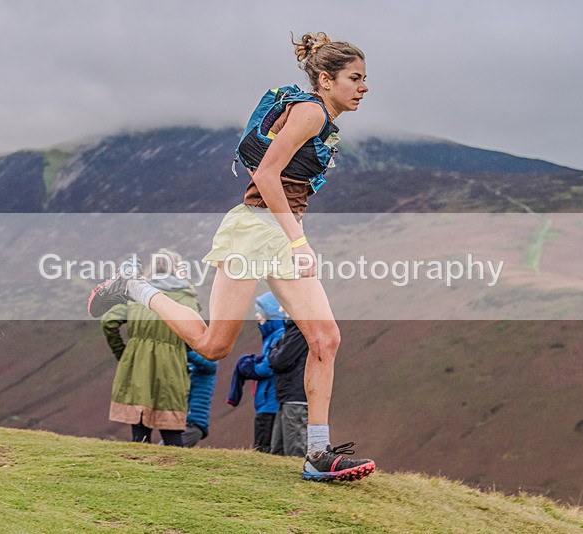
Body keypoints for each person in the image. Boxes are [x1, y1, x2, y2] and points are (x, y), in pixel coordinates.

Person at [90, 32, 375, 481]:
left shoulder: (321, 117)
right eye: (354, 78)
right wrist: (298, 242)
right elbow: (265, 174)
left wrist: (294, 236)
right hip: (253, 231)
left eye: (365, 79)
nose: (363, 87)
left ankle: (317, 456)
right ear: (325, 79)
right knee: (213, 346)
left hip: (281, 232)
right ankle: (133, 287)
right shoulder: (310, 111)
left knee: (326, 339)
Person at [101, 249, 200, 447]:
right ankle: (177, 474)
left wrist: (124, 354)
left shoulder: (137, 293)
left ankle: (139, 472)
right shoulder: (188, 298)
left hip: (138, 363)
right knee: (172, 432)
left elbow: (108, 321)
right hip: (171, 365)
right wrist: (181, 351)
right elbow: (194, 334)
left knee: (140, 433)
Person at [226, 292, 286, 452]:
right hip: (266, 402)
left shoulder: (279, 334)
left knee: (264, 448)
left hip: (270, 403)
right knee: (264, 446)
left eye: (260, 311)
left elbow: (268, 367)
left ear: (271, 313)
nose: (257, 315)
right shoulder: (272, 334)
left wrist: (249, 367)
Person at [268, 318, 309, 457]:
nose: (280, 310)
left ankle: (301, 478)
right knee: (277, 451)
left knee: (295, 451)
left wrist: (275, 352)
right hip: (286, 396)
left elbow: (280, 360)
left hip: (296, 397)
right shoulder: (291, 329)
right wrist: (275, 352)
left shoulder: (301, 330)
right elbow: (276, 353)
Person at [183, 349, 218, 447]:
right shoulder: (192, 366)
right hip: (188, 423)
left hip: (193, 424)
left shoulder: (208, 364)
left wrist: (186, 350)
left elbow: (209, 363)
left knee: (165, 453)